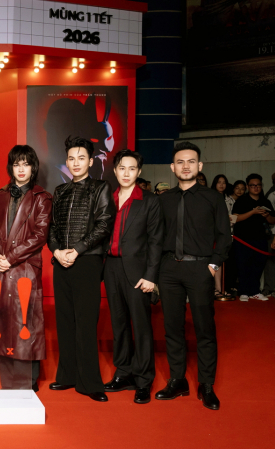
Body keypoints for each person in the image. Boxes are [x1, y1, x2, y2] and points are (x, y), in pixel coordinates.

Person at [155, 142, 232, 411]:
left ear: (199, 166)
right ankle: (177, 380)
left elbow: (224, 235)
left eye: (191, 161)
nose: (185, 166)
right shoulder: (164, 199)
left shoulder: (213, 198)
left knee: (204, 328)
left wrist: (213, 265)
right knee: (172, 328)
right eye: (180, 161)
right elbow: (155, 237)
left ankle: (206, 384)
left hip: (200, 269)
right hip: (168, 270)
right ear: (172, 167)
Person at [47, 136, 115, 402]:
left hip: (87, 261)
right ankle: (67, 376)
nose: (76, 163)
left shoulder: (100, 187)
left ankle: (90, 382)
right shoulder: (60, 191)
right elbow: (52, 228)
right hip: (61, 261)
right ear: (67, 161)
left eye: (81, 158)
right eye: (71, 158)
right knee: (64, 321)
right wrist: (56, 251)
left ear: (90, 161)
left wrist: (76, 250)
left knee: (86, 322)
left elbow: (104, 224)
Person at [0, 145, 51, 391]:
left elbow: (40, 235)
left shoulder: (42, 197)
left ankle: (29, 380)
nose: (21, 169)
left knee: (27, 321)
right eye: (17, 164)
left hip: (25, 267)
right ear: (11, 168)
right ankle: (8, 379)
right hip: (2, 267)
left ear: (33, 168)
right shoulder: (0, 195)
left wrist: (10, 257)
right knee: (3, 321)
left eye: (26, 164)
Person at [102, 150, 163, 404]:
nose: (126, 173)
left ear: (139, 172)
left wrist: (151, 276)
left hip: (138, 273)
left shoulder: (149, 201)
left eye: (132, 168)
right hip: (111, 268)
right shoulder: (107, 198)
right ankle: (123, 373)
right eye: (122, 168)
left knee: (141, 327)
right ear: (115, 170)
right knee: (119, 325)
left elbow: (156, 241)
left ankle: (144, 380)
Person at [232, 173, 275, 302]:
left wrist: (266, 216)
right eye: (253, 185)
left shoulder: (265, 201)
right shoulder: (241, 201)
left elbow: (273, 220)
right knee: (243, 265)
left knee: (258, 265)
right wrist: (253, 212)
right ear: (247, 187)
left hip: (260, 238)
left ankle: (255, 291)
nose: (256, 188)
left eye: (258, 185)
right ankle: (243, 291)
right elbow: (235, 218)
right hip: (243, 239)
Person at [210, 174, 236, 299]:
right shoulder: (210, 196)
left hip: (228, 233)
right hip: (213, 234)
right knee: (216, 262)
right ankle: (217, 288)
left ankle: (223, 287)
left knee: (225, 262)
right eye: (219, 182)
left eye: (224, 182)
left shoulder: (230, 199)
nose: (221, 185)